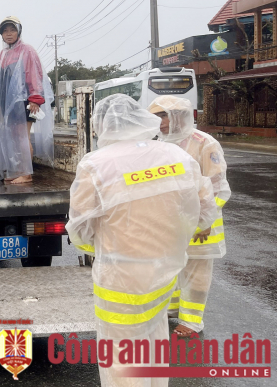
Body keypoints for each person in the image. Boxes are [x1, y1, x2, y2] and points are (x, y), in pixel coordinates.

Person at [67, 94, 217, 387]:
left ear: (101, 126)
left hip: (121, 278)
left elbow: (80, 229)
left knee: (122, 354)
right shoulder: (177, 157)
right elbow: (205, 212)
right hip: (164, 272)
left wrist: (97, 248)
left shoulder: (96, 164)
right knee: (154, 337)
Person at [148, 95, 230, 337]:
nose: (159, 122)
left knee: (197, 270)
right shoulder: (158, 142)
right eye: (155, 116)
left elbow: (217, 186)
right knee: (170, 267)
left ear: (179, 116)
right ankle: (172, 310)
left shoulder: (204, 143)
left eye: (163, 115)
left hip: (199, 222)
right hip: (169, 221)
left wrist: (205, 221)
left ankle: (192, 322)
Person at [0, 16, 51, 184]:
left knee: (23, 136)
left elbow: (34, 74)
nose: (9, 34)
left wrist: (35, 98)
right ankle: (18, 170)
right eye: (5, 31)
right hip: (7, 104)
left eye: (12, 30)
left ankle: (27, 173)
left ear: (19, 31)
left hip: (23, 101)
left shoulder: (27, 50)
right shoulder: (3, 54)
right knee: (13, 137)